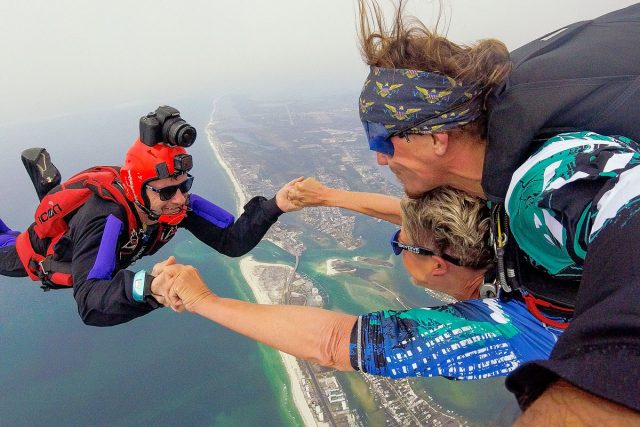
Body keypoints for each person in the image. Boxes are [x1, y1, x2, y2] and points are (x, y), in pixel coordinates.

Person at [355, 0, 640, 421]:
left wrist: (601, 382)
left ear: (437, 138)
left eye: (383, 139)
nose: (380, 158)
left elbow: (624, 208)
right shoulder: (511, 156)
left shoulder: (537, 188)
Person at [151, 186, 567, 381]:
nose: (395, 248)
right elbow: (419, 224)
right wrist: (329, 197)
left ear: (439, 265)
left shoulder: (522, 326)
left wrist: (201, 298)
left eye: (398, 245)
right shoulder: (525, 237)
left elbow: (334, 344)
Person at [0, 105, 301, 327]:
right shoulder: (107, 218)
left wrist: (277, 205)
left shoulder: (174, 206)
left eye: (185, 186)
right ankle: (49, 194)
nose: (181, 199)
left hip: (88, 242)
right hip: (37, 254)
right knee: (11, 248)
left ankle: (50, 193)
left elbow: (231, 241)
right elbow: (90, 303)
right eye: (168, 192)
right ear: (137, 189)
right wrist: (150, 287)